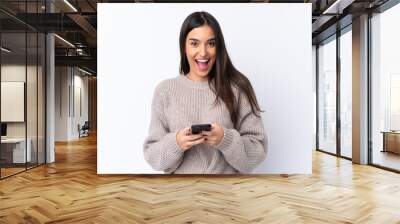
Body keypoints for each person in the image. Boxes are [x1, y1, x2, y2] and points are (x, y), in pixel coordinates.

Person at [143, 11, 266, 174]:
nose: (203, 53)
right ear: (184, 47)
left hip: (229, 195)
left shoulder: (238, 88)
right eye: (194, 43)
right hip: (179, 194)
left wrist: (225, 140)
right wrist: (177, 143)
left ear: (218, 47)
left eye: (211, 43)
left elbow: (257, 152)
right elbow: (153, 157)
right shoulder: (165, 91)